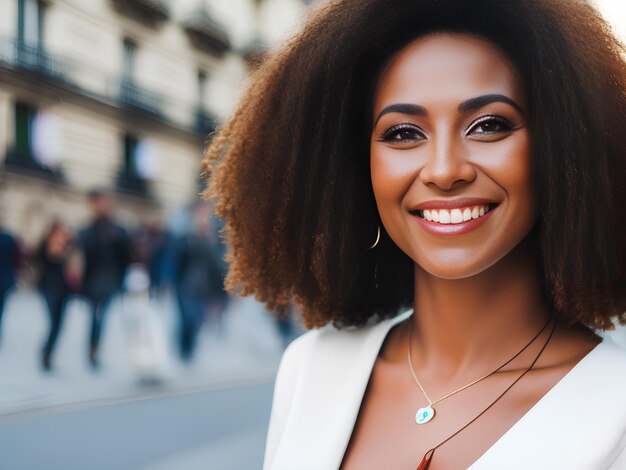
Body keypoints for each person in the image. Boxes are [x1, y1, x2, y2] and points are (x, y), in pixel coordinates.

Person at [203, 0, 626, 468]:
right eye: (403, 133)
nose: (444, 170)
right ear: (355, 168)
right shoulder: (310, 368)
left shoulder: (616, 408)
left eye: (489, 125)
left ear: (566, 145)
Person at [78, 189, 131, 368]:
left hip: (111, 281)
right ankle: (92, 349)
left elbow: (127, 255)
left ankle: (95, 349)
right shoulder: (87, 230)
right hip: (92, 282)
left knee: (101, 316)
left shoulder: (118, 230)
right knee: (94, 316)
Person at [172, 200, 227, 361]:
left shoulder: (209, 237)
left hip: (203, 286)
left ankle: (190, 349)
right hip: (185, 284)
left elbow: (215, 263)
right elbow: (176, 259)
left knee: (199, 318)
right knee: (188, 317)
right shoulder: (185, 236)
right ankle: (184, 349)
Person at [33, 220, 78, 370]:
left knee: (59, 324)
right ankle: (46, 353)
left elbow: (75, 265)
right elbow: (36, 261)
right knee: (53, 322)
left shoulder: (70, 246)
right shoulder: (45, 245)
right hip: (49, 287)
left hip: (64, 289)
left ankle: (48, 351)